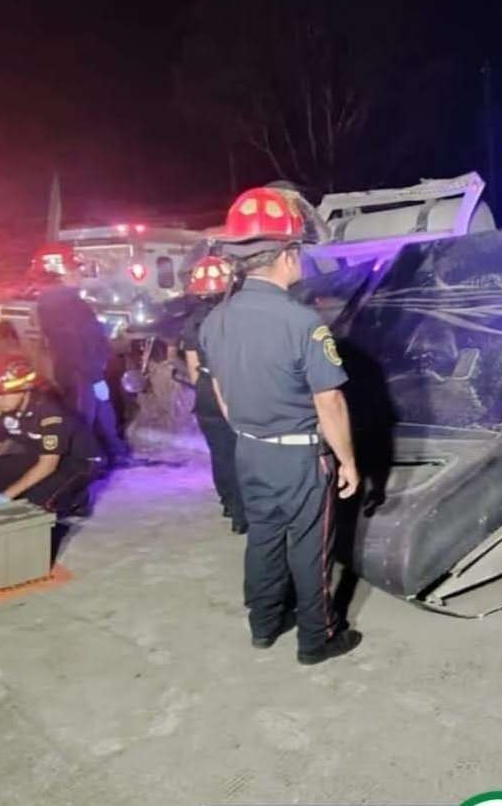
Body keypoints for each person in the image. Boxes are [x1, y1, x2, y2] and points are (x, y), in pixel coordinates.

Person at [200, 186, 362, 666]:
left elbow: (224, 397)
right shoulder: (301, 322)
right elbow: (329, 400)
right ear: (289, 255)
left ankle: (265, 624)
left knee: (264, 539)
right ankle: (318, 638)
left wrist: (254, 431)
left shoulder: (215, 320)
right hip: (300, 456)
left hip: (249, 450)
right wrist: (348, 460)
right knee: (311, 548)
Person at [0, 355, 102, 517]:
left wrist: (4, 498)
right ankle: (42, 491)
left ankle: (77, 499)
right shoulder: (4, 410)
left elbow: (47, 465)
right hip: (42, 455)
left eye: (1, 394)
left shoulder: (50, 413)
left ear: (23, 391)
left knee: (35, 505)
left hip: (79, 462)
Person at [28, 244, 132, 468]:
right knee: (83, 418)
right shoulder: (61, 302)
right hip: (81, 372)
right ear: (57, 273)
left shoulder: (61, 300)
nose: (79, 276)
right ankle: (84, 463)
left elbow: (82, 335)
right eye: (73, 271)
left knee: (102, 412)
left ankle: (114, 453)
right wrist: (94, 376)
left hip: (85, 370)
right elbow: (75, 343)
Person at [176, 255, 246, 534]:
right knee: (242, 454)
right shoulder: (239, 315)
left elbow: (193, 368)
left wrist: (205, 391)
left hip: (206, 392)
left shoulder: (193, 321)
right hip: (235, 389)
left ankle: (229, 504)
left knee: (220, 452)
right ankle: (243, 513)